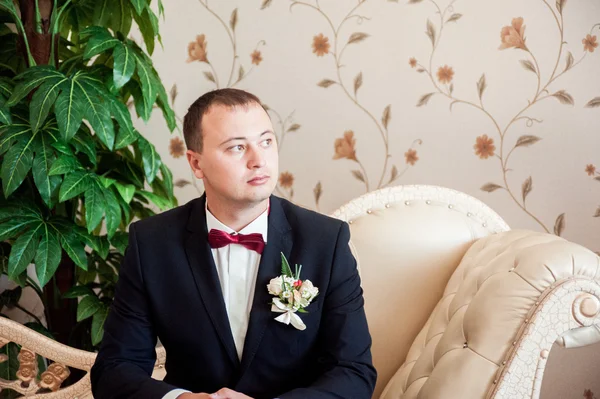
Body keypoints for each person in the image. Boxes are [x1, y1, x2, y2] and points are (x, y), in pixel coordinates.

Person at [90, 88, 376, 399]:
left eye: (266, 142)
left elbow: (354, 372)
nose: (258, 160)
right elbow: (115, 369)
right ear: (196, 163)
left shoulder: (326, 241)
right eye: (237, 147)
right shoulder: (152, 243)